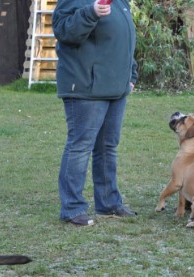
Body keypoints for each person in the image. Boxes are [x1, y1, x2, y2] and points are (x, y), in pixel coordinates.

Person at [52, 0, 138, 226]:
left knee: (107, 147)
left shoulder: (120, 2)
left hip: (115, 88)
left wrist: (131, 75)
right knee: (80, 146)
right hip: (85, 86)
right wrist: (90, 13)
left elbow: (125, 41)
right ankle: (72, 208)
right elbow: (64, 31)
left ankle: (108, 203)